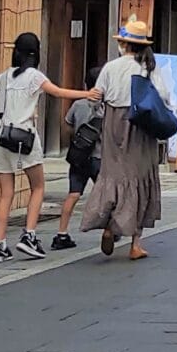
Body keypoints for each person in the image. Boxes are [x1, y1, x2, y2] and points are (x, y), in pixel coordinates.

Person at [0, 33, 100, 264]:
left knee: (5, 194)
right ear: (35, 53)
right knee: (37, 187)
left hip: (0, 140)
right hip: (24, 139)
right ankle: (29, 236)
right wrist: (87, 94)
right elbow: (58, 92)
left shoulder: (1, 78)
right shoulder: (33, 76)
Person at [81, 17, 169, 261]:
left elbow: (95, 98)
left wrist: (103, 113)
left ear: (124, 44)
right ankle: (135, 243)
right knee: (139, 178)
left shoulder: (110, 67)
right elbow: (163, 95)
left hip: (112, 124)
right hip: (140, 125)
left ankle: (110, 223)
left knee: (113, 175)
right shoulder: (148, 67)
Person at [54, 64, 104, 250]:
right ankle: (110, 229)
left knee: (73, 194)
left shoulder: (78, 104)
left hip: (78, 157)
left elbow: (67, 127)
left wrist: (78, 138)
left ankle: (61, 233)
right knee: (106, 194)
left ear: (86, 84)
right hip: (99, 157)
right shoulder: (107, 107)